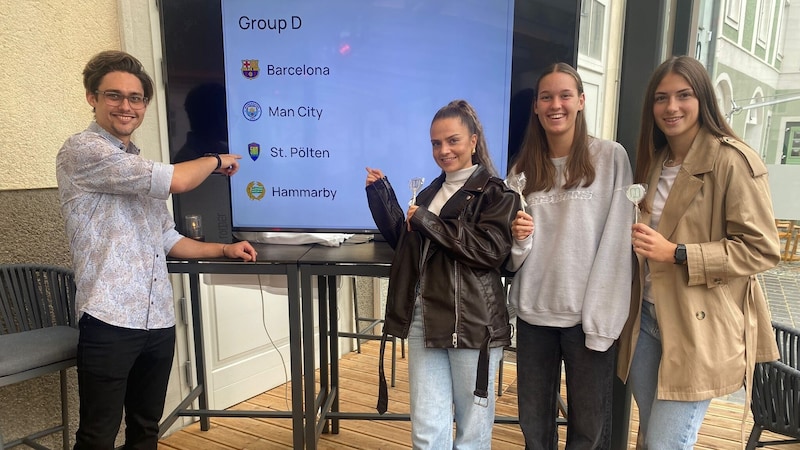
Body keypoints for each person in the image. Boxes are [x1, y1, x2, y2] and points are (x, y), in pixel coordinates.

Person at [56, 50, 258, 450]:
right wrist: (215, 159)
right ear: (91, 98)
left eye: (135, 98)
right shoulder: (83, 151)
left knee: (146, 429)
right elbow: (178, 181)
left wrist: (223, 249)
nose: (126, 106)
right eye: (114, 95)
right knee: (97, 435)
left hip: (157, 319)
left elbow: (167, 238)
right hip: (109, 317)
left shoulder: (136, 165)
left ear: (145, 104)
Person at [616, 55, 781, 449]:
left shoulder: (733, 161)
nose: (671, 107)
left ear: (702, 98)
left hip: (697, 329)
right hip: (647, 321)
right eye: (661, 97)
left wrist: (679, 253)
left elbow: (762, 249)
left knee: (665, 443)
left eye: (683, 95)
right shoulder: (655, 161)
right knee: (651, 435)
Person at [365, 99, 519, 449]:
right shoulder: (431, 192)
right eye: (436, 143)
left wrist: (425, 220)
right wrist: (383, 196)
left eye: (453, 140)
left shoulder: (498, 193)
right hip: (425, 317)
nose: (443, 150)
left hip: (472, 324)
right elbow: (411, 246)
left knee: (472, 431)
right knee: (426, 429)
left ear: (474, 141)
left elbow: (488, 251)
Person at [507, 62, 634, 449]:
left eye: (565, 95)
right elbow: (512, 259)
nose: (555, 104)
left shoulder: (611, 158)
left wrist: (602, 318)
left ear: (581, 101)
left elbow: (617, 244)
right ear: (536, 107)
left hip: (586, 319)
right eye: (546, 97)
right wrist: (517, 240)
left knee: (589, 429)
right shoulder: (521, 169)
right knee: (533, 425)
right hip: (533, 315)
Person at [173, 82, 228, 163]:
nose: (236, 118)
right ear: (213, 117)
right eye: (226, 113)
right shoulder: (187, 161)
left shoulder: (223, 150)